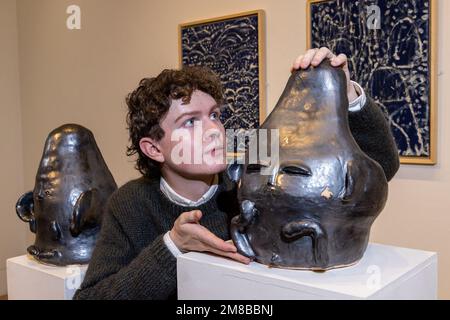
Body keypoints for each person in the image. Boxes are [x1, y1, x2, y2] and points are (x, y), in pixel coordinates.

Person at [73, 47, 399, 300]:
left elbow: (380, 166)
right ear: (153, 148)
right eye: (191, 121)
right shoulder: (131, 202)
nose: (214, 130)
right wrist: (173, 247)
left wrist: (347, 96)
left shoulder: (252, 165)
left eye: (214, 115)